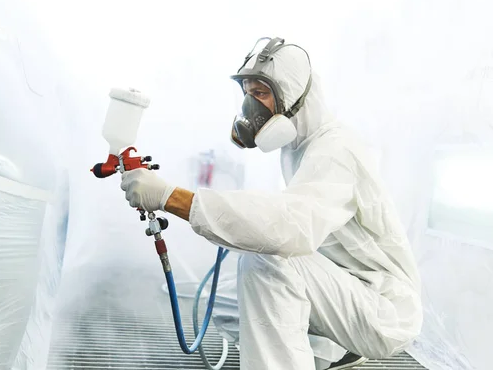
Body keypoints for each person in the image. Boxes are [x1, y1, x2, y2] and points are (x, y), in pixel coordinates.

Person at [120, 37, 423, 370]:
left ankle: (324, 349)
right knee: (225, 299)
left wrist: (171, 198)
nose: (251, 108)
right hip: (343, 290)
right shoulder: (297, 148)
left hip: (383, 308)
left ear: (294, 98)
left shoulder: (336, 149)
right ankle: (328, 351)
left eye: (261, 94)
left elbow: (288, 228)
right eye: (247, 94)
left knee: (266, 262)